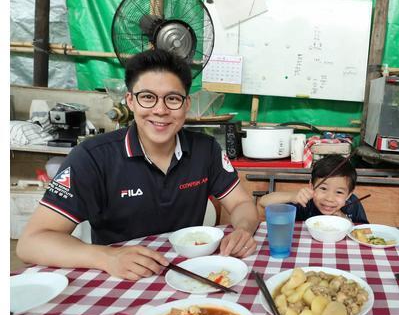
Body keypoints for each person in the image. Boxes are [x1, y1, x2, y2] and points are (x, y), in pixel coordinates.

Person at [17, 49, 259, 280]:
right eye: (147, 98)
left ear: (186, 105)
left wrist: (243, 230)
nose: (160, 110)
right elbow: (32, 241)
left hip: (189, 273)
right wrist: (106, 257)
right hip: (119, 276)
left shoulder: (205, 150)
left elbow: (241, 203)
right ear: (130, 101)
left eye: (172, 99)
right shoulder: (91, 157)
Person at [257, 154, 368, 223]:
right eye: (323, 189)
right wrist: (292, 196)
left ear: (348, 195)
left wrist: (345, 220)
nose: (329, 198)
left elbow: (364, 231)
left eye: (339, 192)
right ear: (311, 186)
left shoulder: (353, 203)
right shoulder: (306, 202)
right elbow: (263, 202)